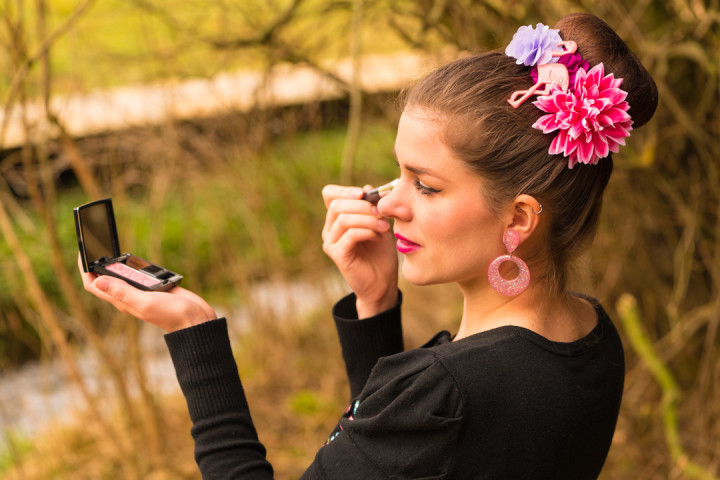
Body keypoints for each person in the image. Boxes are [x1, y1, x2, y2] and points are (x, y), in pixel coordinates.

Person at [80, 12, 657, 480]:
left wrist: (194, 333)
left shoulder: (447, 393)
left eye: (426, 185)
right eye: (397, 173)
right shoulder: (591, 338)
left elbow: (414, 431)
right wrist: (375, 303)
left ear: (521, 217)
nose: (387, 204)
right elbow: (410, 457)